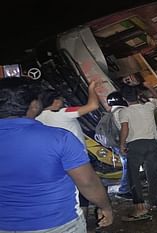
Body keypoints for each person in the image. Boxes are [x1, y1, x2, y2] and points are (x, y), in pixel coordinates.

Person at [0, 78, 113, 232]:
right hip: (58, 224)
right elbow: (87, 183)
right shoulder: (60, 137)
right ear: (33, 105)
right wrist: (105, 206)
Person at [36, 79, 100, 217]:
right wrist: (92, 88)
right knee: (83, 186)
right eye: (59, 100)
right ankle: (83, 218)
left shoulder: (36, 117)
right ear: (54, 102)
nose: (62, 102)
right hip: (75, 158)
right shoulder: (64, 112)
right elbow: (93, 105)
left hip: (52, 160)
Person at [119, 82, 157, 221]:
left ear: (124, 98)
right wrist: (149, 86)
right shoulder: (148, 106)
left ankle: (140, 208)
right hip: (151, 144)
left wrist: (122, 144)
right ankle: (154, 204)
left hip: (135, 145)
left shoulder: (124, 111)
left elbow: (124, 129)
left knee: (134, 176)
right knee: (153, 175)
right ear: (138, 95)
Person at [106, 91, 133, 200]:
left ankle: (127, 187)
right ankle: (124, 190)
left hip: (115, 143)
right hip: (122, 142)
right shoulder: (121, 111)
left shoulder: (112, 111)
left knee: (128, 165)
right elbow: (123, 129)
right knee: (128, 166)